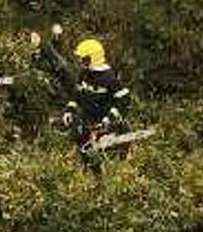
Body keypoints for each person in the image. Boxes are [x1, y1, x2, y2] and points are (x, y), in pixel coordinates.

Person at [33, 26, 131, 174]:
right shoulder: (84, 74)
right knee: (84, 148)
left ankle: (111, 173)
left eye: (83, 59)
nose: (80, 62)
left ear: (92, 58)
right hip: (88, 121)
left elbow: (123, 100)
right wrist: (70, 110)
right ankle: (92, 174)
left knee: (104, 154)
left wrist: (110, 118)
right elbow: (76, 95)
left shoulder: (108, 78)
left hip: (105, 124)